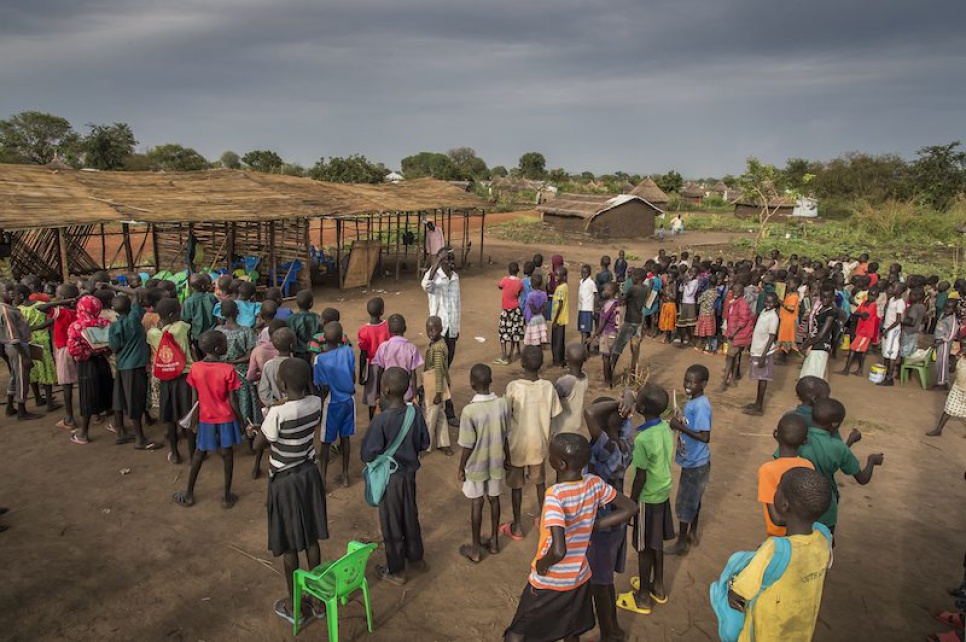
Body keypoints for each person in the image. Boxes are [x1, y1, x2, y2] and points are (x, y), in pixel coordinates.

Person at [504, 433, 636, 642]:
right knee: (570, 629)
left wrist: (542, 564)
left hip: (550, 580)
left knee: (516, 633)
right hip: (579, 577)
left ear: (560, 464)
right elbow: (630, 507)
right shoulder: (594, 484)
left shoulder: (556, 495)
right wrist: (596, 524)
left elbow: (558, 550)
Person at [249, 358, 328, 627]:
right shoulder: (316, 404)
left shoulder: (277, 414)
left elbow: (259, 443)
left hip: (284, 481)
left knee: (290, 544)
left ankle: (295, 605)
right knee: (311, 539)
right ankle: (318, 601)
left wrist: (256, 429)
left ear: (282, 384)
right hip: (309, 475)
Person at [727, 467, 834, 642]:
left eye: (778, 489)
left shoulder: (774, 548)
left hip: (768, 632)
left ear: (784, 505)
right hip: (802, 630)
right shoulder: (824, 537)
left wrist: (731, 591)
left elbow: (742, 589)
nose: (775, 491)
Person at [360, 366, 431, 585]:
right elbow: (424, 443)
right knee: (410, 516)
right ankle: (416, 558)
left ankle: (396, 570)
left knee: (391, 523)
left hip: (389, 480)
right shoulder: (414, 412)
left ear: (386, 390)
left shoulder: (381, 421)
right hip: (408, 476)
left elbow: (367, 454)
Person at [617, 383, 674, 615]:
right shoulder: (665, 429)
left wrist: (631, 503)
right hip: (663, 493)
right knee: (656, 542)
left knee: (643, 548)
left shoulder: (642, 440)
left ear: (640, 407)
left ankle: (643, 597)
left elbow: (639, 476)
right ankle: (657, 587)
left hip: (647, 498)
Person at [173, 330, 244, 508]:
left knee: (200, 452)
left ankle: (189, 493)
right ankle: (226, 497)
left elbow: (194, 399)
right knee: (227, 455)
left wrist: (193, 419)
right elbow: (233, 401)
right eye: (225, 343)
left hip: (206, 418)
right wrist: (241, 421)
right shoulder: (228, 369)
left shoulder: (196, 368)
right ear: (218, 348)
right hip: (226, 418)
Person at [584, 397, 635, 642]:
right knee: (606, 581)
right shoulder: (625, 443)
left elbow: (590, 413)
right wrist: (627, 400)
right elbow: (615, 419)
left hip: (600, 526)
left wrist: (618, 401)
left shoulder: (604, 449)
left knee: (599, 585)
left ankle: (608, 633)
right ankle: (613, 627)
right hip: (617, 522)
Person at [797, 398, 884, 535]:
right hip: (825, 507)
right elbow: (862, 478)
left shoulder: (798, 436)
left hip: (797, 502)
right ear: (835, 424)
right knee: (825, 546)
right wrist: (871, 461)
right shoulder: (838, 448)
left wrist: (849, 442)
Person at [502, 345, 563, 541]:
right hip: (539, 444)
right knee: (539, 483)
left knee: (516, 486)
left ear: (522, 363)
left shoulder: (513, 388)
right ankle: (544, 519)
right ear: (541, 365)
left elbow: (505, 416)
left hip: (517, 445)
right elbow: (554, 414)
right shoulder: (548, 387)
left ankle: (518, 526)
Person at [457, 363, 508, 563]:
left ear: (471, 383)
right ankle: (494, 542)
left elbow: (467, 445)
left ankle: (476, 548)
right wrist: (508, 458)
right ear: (491, 381)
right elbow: (506, 435)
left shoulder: (470, 411)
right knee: (494, 499)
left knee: (477, 502)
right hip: (496, 462)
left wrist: (461, 467)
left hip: (477, 465)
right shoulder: (502, 404)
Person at [667, 364, 712, 556]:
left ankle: (682, 543)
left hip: (696, 463)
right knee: (694, 499)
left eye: (692, 382)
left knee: (686, 500)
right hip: (694, 461)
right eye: (686, 380)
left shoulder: (701, 405)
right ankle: (691, 533)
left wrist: (679, 427)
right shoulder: (693, 401)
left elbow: (704, 436)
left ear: (703, 383)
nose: (687, 385)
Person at [107, 293, 159, 450]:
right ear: (131, 307)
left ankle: (121, 430)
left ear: (114, 310)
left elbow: (114, 347)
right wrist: (112, 288)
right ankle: (140, 439)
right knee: (135, 400)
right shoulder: (135, 318)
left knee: (120, 397)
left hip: (123, 365)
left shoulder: (114, 327)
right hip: (135, 366)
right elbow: (136, 293)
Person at [313, 321, 356, 487]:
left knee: (325, 441)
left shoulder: (319, 359)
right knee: (345, 438)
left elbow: (322, 387)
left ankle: (323, 481)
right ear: (341, 338)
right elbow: (352, 376)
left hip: (332, 403)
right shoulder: (348, 351)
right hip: (348, 401)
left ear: (323, 338)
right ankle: (345, 476)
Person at [421, 247, 461, 425]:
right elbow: (425, 285)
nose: (452, 262)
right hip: (439, 332)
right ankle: (448, 412)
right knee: (441, 372)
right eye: (448, 259)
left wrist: (457, 328)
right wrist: (436, 262)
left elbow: (456, 305)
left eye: (453, 259)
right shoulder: (434, 278)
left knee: (442, 371)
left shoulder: (455, 277)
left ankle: (422, 392)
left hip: (452, 330)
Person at [757, 414, 814, 536]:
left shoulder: (768, 470)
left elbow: (777, 519)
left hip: (779, 538)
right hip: (803, 535)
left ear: (775, 434)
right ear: (805, 441)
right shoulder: (808, 466)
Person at [67, 294, 113, 441]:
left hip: (87, 365)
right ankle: (118, 425)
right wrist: (103, 351)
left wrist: (87, 353)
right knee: (106, 391)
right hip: (103, 362)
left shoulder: (76, 326)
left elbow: (73, 349)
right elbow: (111, 344)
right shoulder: (106, 323)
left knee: (88, 396)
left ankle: (84, 434)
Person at [216, 299, 261, 429]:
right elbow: (249, 356)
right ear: (238, 312)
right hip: (241, 374)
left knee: (226, 401)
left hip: (222, 373)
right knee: (244, 402)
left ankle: (228, 428)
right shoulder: (246, 331)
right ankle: (247, 428)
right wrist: (233, 362)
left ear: (222, 314)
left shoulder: (218, 331)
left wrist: (226, 362)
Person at [13, 284, 59, 413]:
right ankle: (49, 402)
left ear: (21, 296)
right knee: (45, 369)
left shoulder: (18, 310)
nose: (13, 298)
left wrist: (29, 330)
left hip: (27, 341)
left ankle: (38, 398)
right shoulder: (40, 305)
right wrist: (39, 327)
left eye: (15, 296)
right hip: (42, 339)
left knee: (32, 370)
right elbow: (52, 319)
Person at [371, 314, 423, 404]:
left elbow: (380, 372)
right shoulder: (411, 348)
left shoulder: (383, 347)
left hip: (388, 392)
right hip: (406, 393)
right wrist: (415, 396)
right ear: (405, 328)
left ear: (389, 330)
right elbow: (413, 374)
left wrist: (378, 393)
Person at [745, 292, 780, 415]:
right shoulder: (764, 312)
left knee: (763, 378)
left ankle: (759, 406)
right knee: (760, 378)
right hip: (758, 349)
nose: (768, 304)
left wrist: (764, 355)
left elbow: (771, 337)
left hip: (764, 352)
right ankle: (757, 403)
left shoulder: (773, 317)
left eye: (770, 302)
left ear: (775, 303)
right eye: (766, 301)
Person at [51, 283, 80, 429]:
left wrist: (62, 302)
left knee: (66, 384)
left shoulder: (62, 312)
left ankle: (70, 418)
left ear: (62, 297)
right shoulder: (79, 310)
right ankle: (96, 414)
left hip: (65, 350)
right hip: (79, 348)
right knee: (82, 382)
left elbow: (41, 308)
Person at [423, 315, 452, 455]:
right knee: (440, 414)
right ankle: (443, 442)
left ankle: (425, 445)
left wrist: (438, 393)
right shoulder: (439, 343)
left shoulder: (438, 348)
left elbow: (439, 371)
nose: (431, 333)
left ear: (441, 329)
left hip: (436, 386)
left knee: (430, 416)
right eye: (428, 330)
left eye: (434, 329)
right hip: (436, 384)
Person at [357, 297, 390, 420]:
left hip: (372, 367)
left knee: (372, 398)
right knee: (386, 394)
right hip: (386, 365)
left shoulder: (363, 330)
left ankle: (373, 423)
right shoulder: (387, 326)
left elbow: (363, 354)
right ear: (382, 311)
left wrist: (361, 374)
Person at [611, 268, 647, 375]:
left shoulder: (632, 289)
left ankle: (611, 370)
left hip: (630, 321)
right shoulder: (645, 288)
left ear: (636, 278)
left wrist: (618, 290)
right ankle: (633, 373)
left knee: (618, 347)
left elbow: (622, 301)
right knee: (635, 350)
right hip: (639, 321)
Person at [552, 342, 590, 437]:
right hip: (576, 426)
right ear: (585, 359)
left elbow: (552, 399)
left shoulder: (565, 382)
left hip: (561, 427)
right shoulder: (585, 377)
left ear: (566, 358)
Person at [927, 346, 966, 437]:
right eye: (963, 346)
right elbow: (952, 371)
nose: (964, 348)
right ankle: (938, 429)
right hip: (958, 387)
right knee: (948, 408)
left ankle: (938, 429)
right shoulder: (961, 359)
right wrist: (953, 360)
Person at [838, 288, 878, 376]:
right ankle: (859, 370)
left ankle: (847, 369)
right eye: (870, 294)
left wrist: (858, 313)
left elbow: (863, 315)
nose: (871, 296)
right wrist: (858, 313)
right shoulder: (865, 303)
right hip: (860, 329)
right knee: (861, 351)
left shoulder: (873, 305)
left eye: (873, 295)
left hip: (866, 332)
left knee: (853, 349)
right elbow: (857, 312)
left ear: (876, 297)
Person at [722, 283, 753, 389]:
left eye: (738, 291)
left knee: (730, 358)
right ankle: (732, 379)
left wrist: (733, 333)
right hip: (733, 334)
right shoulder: (734, 303)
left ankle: (724, 382)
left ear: (742, 293)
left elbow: (743, 321)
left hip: (737, 336)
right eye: (734, 291)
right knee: (735, 358)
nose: (736, 293)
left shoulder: (742, 304)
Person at [591, 281, 620, 388]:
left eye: (605, 290)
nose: (603, 292)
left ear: (611, 292)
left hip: (607, 333)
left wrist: (595, 334)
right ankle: (609, 378)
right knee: (610, 356)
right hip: (615, 332)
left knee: (605, 358)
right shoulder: (617, 303)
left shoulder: (608, 304)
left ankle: (607, 381)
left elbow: (603, 322)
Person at [181, 274, 217, 357]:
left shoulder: (188, 302)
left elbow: (186, 321)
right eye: (209, 284)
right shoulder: (212, 298)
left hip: (197, 336)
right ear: (203, 286)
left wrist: (189, 340)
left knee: (200, 358)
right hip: (213, 334)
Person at [878, 282, 907, 386]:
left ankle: (889, 378)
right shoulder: (891, 299)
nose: (891, 288)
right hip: (887, 328)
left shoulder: (900, 303)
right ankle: (886, 376)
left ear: (900, 290)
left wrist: (887, 330)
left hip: (893, 330)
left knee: (891, 354)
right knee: (886, 353)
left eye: (894, 287)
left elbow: (898, 320)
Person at [496, 262, 525, 365]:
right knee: (514, 333)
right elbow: (520, 292)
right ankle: (510, 354)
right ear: (518, 271)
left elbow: (499, 286)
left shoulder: (504, 280)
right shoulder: (520, 283)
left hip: (506, 310)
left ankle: (504, 355)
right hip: (516, 310)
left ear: (509, 270)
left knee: (503, 332)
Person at [286, 290, 321, 365]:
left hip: (298, 353)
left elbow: (290, 336)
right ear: (311, 304)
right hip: (314, 352)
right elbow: (320, 335)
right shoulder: (317, 317)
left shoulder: (292, 319)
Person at [933, 299, 960, 389]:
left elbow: (951, 334)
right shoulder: (942, 315)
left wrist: (941, 341)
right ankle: (940, 380)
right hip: (938, 342)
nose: (946, 309)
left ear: (954, 309)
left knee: (943, 362)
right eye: (945, 306)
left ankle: (942, 383)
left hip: (944, 344)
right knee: (938, 362)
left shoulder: (952, 319)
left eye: (949, 308)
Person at [777, 277, 801, 363]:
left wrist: (781, 303)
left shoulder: (794, 296)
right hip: (786, 319)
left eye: (790, 283)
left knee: (785, 338)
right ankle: (784, 356)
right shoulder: (792, 294)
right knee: (785, 338)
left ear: (796, 285)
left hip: (788, 320)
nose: (788, 285)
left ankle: (783, 358)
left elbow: (791, 309)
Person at [550, 266, 570, 367]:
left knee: (556, 341)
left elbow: (560, 304)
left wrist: (555, 320)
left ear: (563, 276)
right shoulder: (563, 286)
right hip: (560, 319)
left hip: (559, 319)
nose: (556, 277)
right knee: (560, 340)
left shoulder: (561, 288)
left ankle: (557, 361)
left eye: (558, 275)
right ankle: (560, 359)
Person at [523, 273, 549, 347]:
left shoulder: (530, 295)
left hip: (532, 319)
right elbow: (545, 307)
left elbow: (533, 310)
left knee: (532, 340)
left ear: (531, 284)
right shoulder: (544, 294)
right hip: (541, 318)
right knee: (539, 340)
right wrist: (540, 310)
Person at [577, 264, 598, 347]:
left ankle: (582, 349)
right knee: (585, 330)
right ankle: (587, 349)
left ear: (589, 273)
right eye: (582, 272)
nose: (584, 274)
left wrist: (595, 309)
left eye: (585, 273)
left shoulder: (591, 283)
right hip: (581, 308)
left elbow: (596, 295)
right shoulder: (581, 281)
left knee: (584, 331)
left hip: (587, 310)